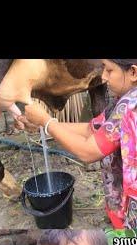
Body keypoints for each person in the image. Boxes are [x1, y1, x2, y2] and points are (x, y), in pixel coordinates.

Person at [24, 59, 137, 228]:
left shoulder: (131, 106)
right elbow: (92, 130)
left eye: (109, 70)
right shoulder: (123, 99)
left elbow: (88, 152)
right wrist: (43, 124)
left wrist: (47, 122)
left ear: (133, 72)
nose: (104, 77)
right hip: (123, 197)